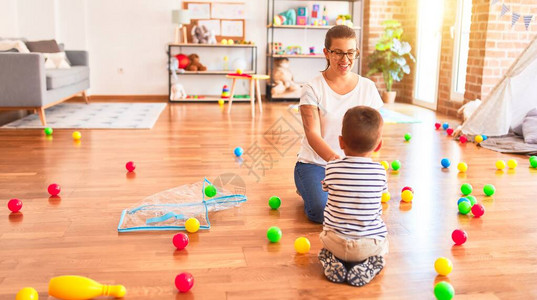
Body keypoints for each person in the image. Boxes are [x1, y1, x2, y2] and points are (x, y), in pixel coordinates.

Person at [294, 25, 383, 223]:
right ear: (326, 53)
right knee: (321, 212)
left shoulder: (368, 87)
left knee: (367, 208)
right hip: (316, 164)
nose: (345, 60)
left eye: (350, 53)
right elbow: (312, 134)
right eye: (338, 53)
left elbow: (376, 130)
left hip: (355, 165)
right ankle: (306, 186)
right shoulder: (312, 88)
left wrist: (359, 166)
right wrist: (339, 163)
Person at [318, 106, 388, 286]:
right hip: (368, 245)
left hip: (336, 242)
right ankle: (371, 264)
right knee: (384, 243)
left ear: (341, 142)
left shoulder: (331, 168)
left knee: (325, 236)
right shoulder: (380, 172)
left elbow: (326, 187)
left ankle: (332, 258)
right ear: (378, 145)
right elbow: (381, 193)